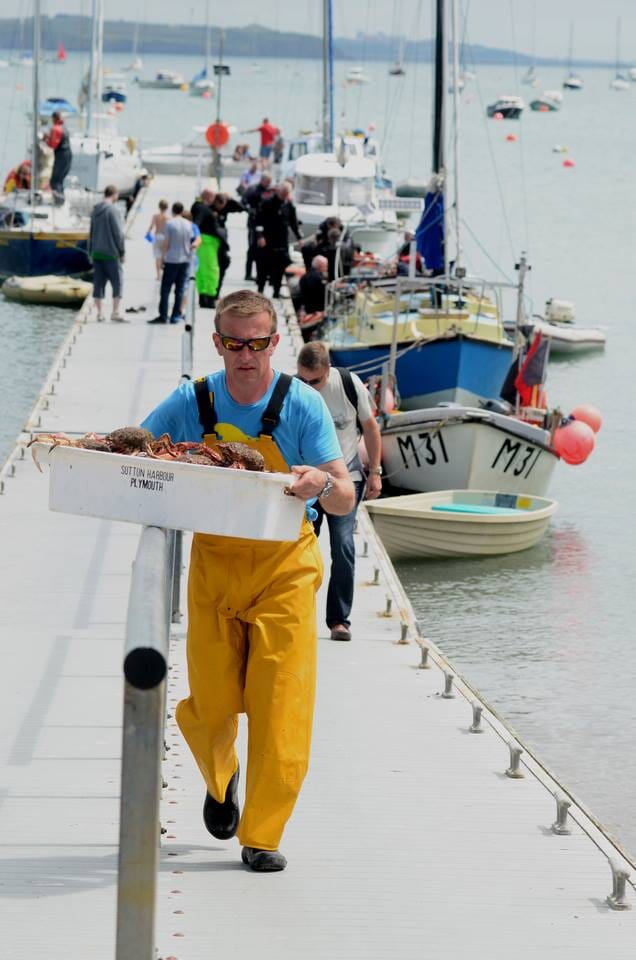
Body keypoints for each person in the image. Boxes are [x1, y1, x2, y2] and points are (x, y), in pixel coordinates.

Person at [140, 289, 354, 872]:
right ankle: (220, 777)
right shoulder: (193, 400)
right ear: (218, 343)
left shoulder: (301, 405)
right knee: (212, 703)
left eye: (258, 343)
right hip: (215, 564)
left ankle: (261, 835)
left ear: (273, 342)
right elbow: (137, 453)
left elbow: (345, 496)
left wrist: (319, 482)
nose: (246, 355)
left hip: (286, 566)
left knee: (281, 705)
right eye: (235, 344)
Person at [296, 341, 383, 642]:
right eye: (303, 380)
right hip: (307, 479)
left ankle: (338, 620)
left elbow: (370, 428)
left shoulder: (348, 384)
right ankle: (298, 611)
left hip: (346, 478)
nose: (310, 387)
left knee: (343, 546)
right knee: (302, 547)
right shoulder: (294, 392)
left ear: (328, 371)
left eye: (316, 381)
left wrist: (375, 472)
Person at [254, 182, 302, 298]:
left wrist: (299, 238)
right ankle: (260, 290)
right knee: (263, 267)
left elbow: (293, 223)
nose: (285, 196)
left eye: (287, 194)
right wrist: (260, 236)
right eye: (283, 194)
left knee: (279, 268)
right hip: (267, 241)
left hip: (282, 242)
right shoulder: (267, 203)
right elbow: (257, 221)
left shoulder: (289, 205)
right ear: (278, 192)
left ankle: (276, 291)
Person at [148, 201, 193, 324]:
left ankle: (163, 315)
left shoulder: (170, 224)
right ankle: (175, 315)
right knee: (179, 290)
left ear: (173, 211)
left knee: (165, 289)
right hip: (185, 260)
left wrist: (162, 258)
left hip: (172, 260)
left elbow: (166, 243)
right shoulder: (189, 224)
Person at [89, 184, 126, 323]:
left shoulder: (95, 210)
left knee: (98, 284)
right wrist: (122, 251)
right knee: (117, 282)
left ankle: (99, 314)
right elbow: (118, 233)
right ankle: (115, 312)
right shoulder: (113, 210)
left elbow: (91, 233)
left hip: (97, 253)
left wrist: (90, 252)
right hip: (111, 254)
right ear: (114, 194)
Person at [191, 188, 223, 308]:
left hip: (205, 242)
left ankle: (203, 297)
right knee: (211, 270)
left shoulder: (197, 206)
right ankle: (209, 298)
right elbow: (196, 224)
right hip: (207, 242)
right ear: (208, 197)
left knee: (202, 271)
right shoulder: (202, 208)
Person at [211, 192, 244, 298]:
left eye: (223, 205)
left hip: (222, 240)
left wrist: (231, 199)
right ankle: (211, 293)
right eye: (219, 205)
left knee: (223, 264)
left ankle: (217, 292)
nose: (221, 208)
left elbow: (241, 208)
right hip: (212, 241)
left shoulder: (225, 207)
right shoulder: (209, 209)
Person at [243, 173, 273, 282]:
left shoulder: (269, 191)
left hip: (265, 223)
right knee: (252, 249)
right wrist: (249, 210)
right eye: (268, 181)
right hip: (253, 223)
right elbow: (243, 201)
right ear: (263, 180)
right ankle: (248, 274)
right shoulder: (253, 189)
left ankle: (263, 275)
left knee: (264, 250)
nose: (269, 184)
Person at [44, 110, 72, 202]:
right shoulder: (64, 128)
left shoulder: (56, 128)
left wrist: (46, 139)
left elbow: (53, 145)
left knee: (54, 180)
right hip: (68, 155)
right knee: (60, 179)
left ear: (53, 119)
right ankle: (61, 199)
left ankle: (59, 202)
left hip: (61, 155)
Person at [178, 210, 201, 318]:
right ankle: (180, 309)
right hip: (185, 259)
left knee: (185, 286)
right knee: (183, 286)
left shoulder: (192, 227)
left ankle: (181, 309)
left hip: (188, 260)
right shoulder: (192, 226)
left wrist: (193, 245)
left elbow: (198, 239)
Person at [146, 199, 170, 280]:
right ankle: (165, 274)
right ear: (167, 208)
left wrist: (147, 233)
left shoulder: (155, 216)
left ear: (159, 207)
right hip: (165, 237)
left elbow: (151, 226)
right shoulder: (168, 217)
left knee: (157, 257)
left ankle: (158, 275)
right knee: (165, 256)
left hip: (157, 236)